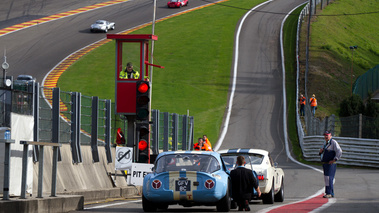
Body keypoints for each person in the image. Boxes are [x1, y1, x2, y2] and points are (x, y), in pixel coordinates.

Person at [319, 130, 342, 198]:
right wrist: (320, 152)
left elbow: (339, 151)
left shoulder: (333, 142)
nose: (326, 136)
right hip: (325, 163)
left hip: (331, 164)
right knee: (326, 178)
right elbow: (322, 152)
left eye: (327, 135)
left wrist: (334, 159)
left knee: (329, 178)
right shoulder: (324, 143)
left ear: (330, 136)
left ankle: (330, 193)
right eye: (325, 135)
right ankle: (328, 192)